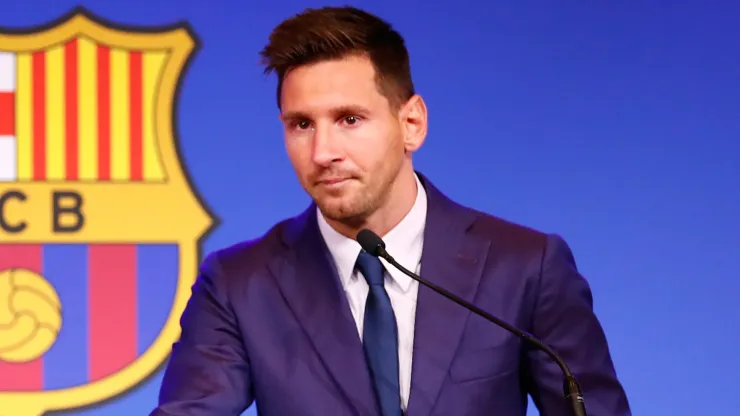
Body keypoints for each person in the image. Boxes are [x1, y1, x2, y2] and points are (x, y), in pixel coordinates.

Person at [151, 6, 631, 416]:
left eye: (349, 119)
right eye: (301, 124)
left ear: (412, 124)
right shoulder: (238, 284)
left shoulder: (526, 265)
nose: (322, 151)